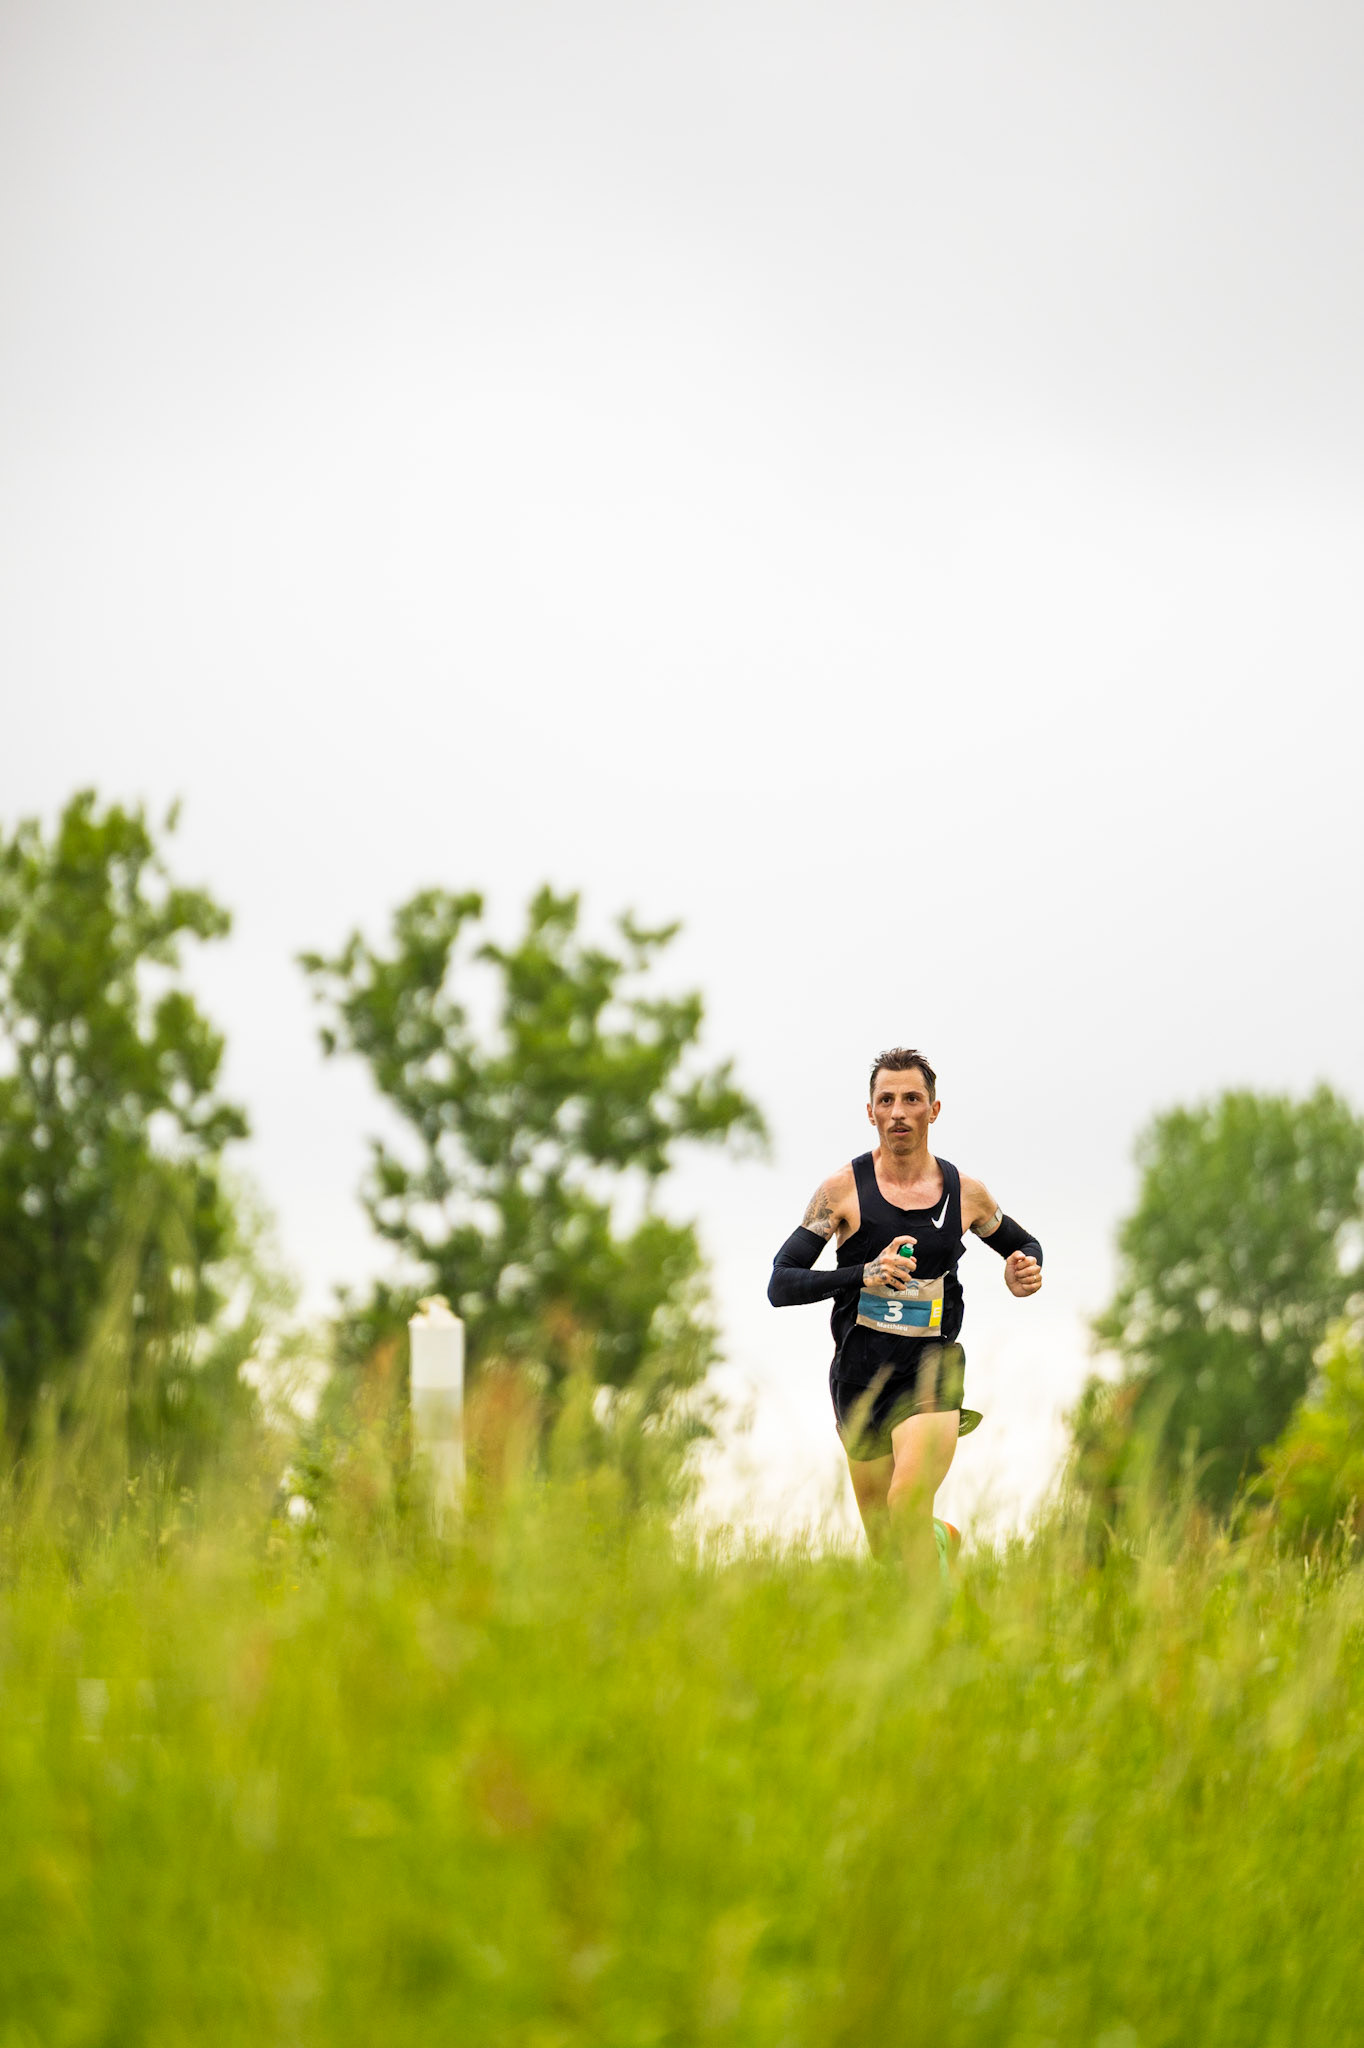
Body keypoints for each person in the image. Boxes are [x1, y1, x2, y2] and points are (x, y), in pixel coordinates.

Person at [767, 1047, 1042, 1583]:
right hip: (860, 1375)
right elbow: (781, 1281)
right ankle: (940, 1542)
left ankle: (939, 1634)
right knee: (889, 1546)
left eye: (911, 1099)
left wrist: (1024, 1269)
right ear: (869, 1112)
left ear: (933, 1110)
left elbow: (1024, 1243)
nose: (898, 1111)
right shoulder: (840, 1191)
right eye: (885, 1100)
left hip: (932, 1367)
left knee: (906, 1504)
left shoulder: (967, 1195)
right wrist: (862, 1273)